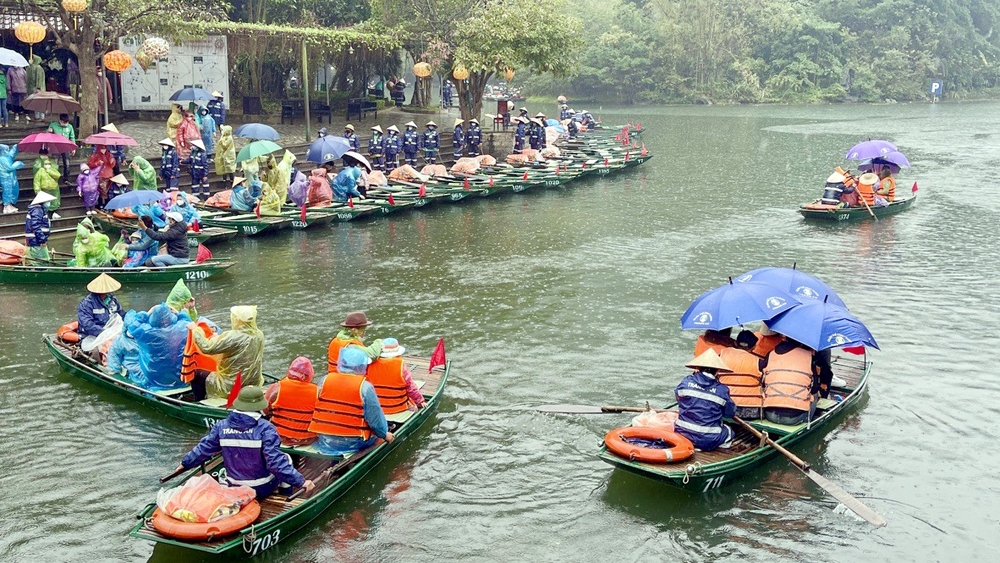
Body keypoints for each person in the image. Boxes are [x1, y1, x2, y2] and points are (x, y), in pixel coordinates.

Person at [176, 386, 314, 499]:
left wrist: (185, 463)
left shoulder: (221, 426)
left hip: (234, 486)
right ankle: (285, 497)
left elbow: (203, 449)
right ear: (259, 407)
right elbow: (276, 463)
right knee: (286, 459)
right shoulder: (266, 428)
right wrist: (302, 481)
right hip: (261, 488)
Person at [309, 346, 395, 456]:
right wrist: (384, 434)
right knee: (381, 434)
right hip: (354, 442)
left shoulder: (325, 380)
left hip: (325, 439)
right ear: (361, 366)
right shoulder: (364, 387)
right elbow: (375, 418)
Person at [187, 306, 265, 400]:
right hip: (254, 381)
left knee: (196, 373)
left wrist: (195, 330)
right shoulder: (259, 334)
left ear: (237, 319)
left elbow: (207, 347)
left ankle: (201, 401)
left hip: (231, 385)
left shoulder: (232, 336)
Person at [759, 337, 832, 425]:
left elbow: (762, 382)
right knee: (814, 395)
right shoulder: (809, 356)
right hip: (795, 418)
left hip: (769, 414)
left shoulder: (771, 354)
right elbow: (814, 388)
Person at [674, 350, 737, 451]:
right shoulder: (721, 389)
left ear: (698, 368)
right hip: (708, 439)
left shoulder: (685, 382)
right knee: (730, 432)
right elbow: (729, 413)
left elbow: (678, 398)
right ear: (717, 371)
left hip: (682, 434)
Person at [129, 303, 189, 391]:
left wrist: (147, 313)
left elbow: (132, 327)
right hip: (180, 376)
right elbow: (188, 321)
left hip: (155, 377)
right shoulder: (181, 328)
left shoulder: (148, 332)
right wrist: (177, 312)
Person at [264, 357, 319, 446]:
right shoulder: (317, 390)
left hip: (279, 436)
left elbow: (265, 410)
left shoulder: (277, 387)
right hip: (307, 439)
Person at [367, 338, 427, 412]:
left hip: (377, 406)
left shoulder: (370, 364)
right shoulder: (401, 365)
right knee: (414, 406)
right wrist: (420, 401)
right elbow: (411, 387)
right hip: (398, 406)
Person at [77, 273, 125, 341]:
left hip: (111, 332)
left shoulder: (112, 300)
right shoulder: (87, 304)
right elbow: (87, 324)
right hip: (92, 335)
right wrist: (103, 332)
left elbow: (121, 314)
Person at [107, 310, 142, 381]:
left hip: (146, 368)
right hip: (130, 369)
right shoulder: (121, 341)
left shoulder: (144, 339)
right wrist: (114, 370)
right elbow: (114, 355)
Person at [24, 192, 55, 263]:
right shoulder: (37, 210)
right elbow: (36, 226)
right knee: (40, 261)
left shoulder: (39, 209)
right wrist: (42, 240)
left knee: (39, 260)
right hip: (36, 240)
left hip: (36, 239)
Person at [32, 150, 61, 218]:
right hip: (44, 188)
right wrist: (37, 190)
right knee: (46, 203)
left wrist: (49, 171)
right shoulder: (40, 170)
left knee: (54, 202)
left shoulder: (52, 167)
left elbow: (57, 175)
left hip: (53, 187)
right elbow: (36, 181)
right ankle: (46, 215)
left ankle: (53, 213)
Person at [0, 144, 24, 214]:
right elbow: (9, 168)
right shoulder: (2, 158)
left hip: (11, 177)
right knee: (7, 191)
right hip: (5, 177)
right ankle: (7, 206)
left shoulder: (7, 156)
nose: (7, 151)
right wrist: (17, 164)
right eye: (6, 150)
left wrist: (17, 146)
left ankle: (9, 205)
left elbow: (12, 153)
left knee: (12, 190)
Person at [25, 55, 44, 120]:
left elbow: (39, 78)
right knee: (36, 103)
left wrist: (38, 87)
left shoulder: (38, 68)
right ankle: (37, 116)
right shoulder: (30, 67)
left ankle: (40, 116)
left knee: (40, 103)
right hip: (33, 88)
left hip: (38, 88)